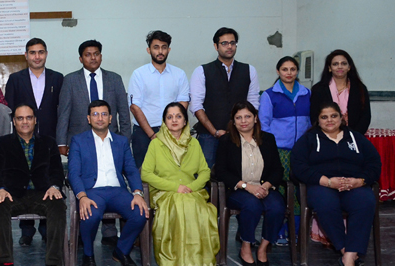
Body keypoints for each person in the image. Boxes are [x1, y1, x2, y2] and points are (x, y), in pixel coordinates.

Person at [291, 102, 381, 266]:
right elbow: (298, 167)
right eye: (324, 117)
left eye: (333, 116)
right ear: (318, 120)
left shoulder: (356, 138)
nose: (329, 120)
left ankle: (349, 255)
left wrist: (360, 181)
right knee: (326, 203)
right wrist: (327, 181)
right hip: (321, 185)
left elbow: (374, 164)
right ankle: (346, 251)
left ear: (342, 118)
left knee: (366, 201)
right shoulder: (308, 140)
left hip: (353, 185)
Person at [58, 40, 131, 246]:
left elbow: (123, 113)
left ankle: (109, 232)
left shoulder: (114, 79)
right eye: (88, 55)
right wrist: (61, 141)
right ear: (81, 58)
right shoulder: (70, 80)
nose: (93, 58)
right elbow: (63, 112)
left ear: (101, 56)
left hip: (110, 141)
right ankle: (84, 232)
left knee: (110, 180)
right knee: (87, 181)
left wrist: (124, 139)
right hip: (80, 143)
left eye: (96, 54)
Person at [0, 104, 68, 266]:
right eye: (20, 118)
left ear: (35, 120)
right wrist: (0, 188)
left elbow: (57, 170)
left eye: (28, 118)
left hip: (43, 193)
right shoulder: (2, 143)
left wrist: (55, 186)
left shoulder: (48, 142)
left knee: (58, 205)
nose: (24, 122)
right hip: (13, 194)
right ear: (14, 121)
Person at [67, 100, 149, 266]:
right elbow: (73, 173)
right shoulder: (78, 141)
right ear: (88, 118)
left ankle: (121, 250)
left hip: (117, 191)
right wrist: (82, 196)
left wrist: (137, 192)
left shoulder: (121, 141)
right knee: (90, 214)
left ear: (110, 118)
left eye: (104, 114)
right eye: (95, 114)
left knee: (140, 213)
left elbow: (132, 170)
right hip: (92, 191)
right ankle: (88, 255)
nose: (100, 118)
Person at [141, 102, 218, 266]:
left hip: (192, 191)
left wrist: (191, 187)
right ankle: (175, 263)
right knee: (179, 203)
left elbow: (205, 171)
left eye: (178, 116)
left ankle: (198, 262)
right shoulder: (156, 144)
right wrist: (176, 187)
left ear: (185, 121)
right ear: (164, 121)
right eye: (169, 117)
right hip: (164, 192)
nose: (174, 120)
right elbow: (146, 173)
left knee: (198, 208)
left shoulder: (194, 144)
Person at [4, 38, 65, 245]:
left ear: (46, 54)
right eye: (32, 52)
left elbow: (62, 110)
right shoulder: (15, 79)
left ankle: (47, 227)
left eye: (40, 52)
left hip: (48, 138)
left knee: (45, 178)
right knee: (24, 178)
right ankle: (26, 231)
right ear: (26, 55)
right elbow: (10, 111)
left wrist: (61, 139)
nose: (37, 56)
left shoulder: (58, 78)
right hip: (22, 138)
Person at [213, 102, 285, 266]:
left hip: (264, 187)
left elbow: (277, 170)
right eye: (238, 118)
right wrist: (247, 186)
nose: (243, 121)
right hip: (239, 189)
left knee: (277, 207)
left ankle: (263, 248)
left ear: (255, 118)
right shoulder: (226, 140)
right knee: (251, 205)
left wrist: (266, 186)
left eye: (247, 116)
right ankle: (246, 246)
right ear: (233, 121)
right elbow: (221, 172)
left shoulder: (268, 139)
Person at [258, 56, 311, 245]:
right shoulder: (269, 95)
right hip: (279, 151)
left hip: (301, 152)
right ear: (278, 71)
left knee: (298, 191)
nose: (289, 73)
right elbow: (264, 126)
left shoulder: (307, 94)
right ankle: (278, 232)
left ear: (297, 72)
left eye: (293, 69)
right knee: (279, 190)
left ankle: (295, 232)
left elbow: (311, 123)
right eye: (285, 69)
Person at [189, 27, 260, 167]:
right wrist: (214, 132)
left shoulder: (249, 70)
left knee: (240, 172)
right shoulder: (202, 71)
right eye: (224, 43)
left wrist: (243, 128)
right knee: (205, 174)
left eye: (233, 43)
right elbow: (196, 106)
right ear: (216, 46)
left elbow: (253, 104)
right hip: (208, 136)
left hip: (241, 135)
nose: (229, 47)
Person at [128, 30, 190, 168]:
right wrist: (152, 135)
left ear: (169, 49)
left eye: (164, 47)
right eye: (156, 47)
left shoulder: (179, 74)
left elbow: (183, 103)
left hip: (174, 132)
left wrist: (172, 130)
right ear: (148, 50)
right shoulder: (139, 74)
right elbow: (134, 107)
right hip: (144, 134)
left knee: (173, 172)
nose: (160, 51)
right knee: (144, 174)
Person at [310, 49, 371, 134]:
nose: (340, 67)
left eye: (343, 63)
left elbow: (365, 116)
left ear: (349, 67)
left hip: (354, 136)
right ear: (330, 68)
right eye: (335, 64)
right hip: (325, 137)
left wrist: (354, 136)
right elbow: (314, 116)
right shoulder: (318, 89)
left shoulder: (360, 88)